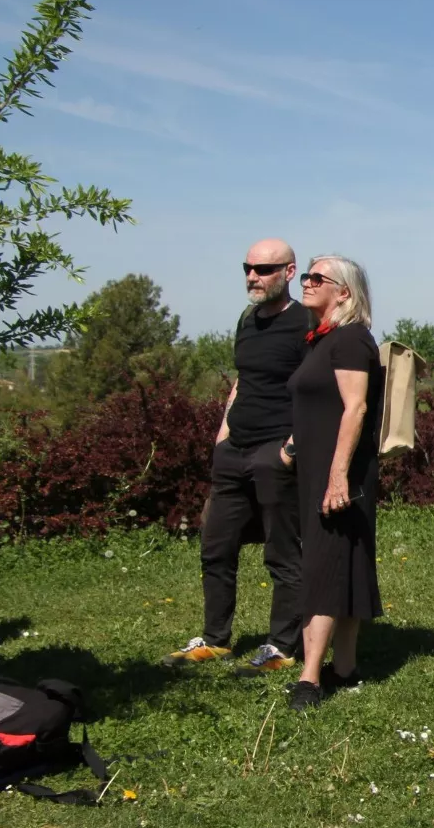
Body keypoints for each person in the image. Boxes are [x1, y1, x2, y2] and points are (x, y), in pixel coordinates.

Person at [164, 239, 311, 674]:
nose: (253, 276)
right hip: (235, 450)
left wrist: (289, 449)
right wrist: (221, 439)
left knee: (282, 555)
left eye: (264, 269)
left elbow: (318, 392)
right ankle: (214, 639)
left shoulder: (306, 322)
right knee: (216, 546)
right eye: (248, 267)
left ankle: (281, 646)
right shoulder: (248, 320)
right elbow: (242, 381)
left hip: (275, 452)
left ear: (289, 272)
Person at [280, 255, 384, 713]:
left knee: (325, 564)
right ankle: (346, 667)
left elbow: (356, 408)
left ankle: (309, 677)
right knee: (342, 562)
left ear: (343, 292)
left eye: (317, 278)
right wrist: (293, 445)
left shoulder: (350, 341)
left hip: (338, 474)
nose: (306, 282)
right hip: (318, 468)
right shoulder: (320, 342)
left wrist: (337, 475)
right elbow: (317, 406)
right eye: (306, 275)